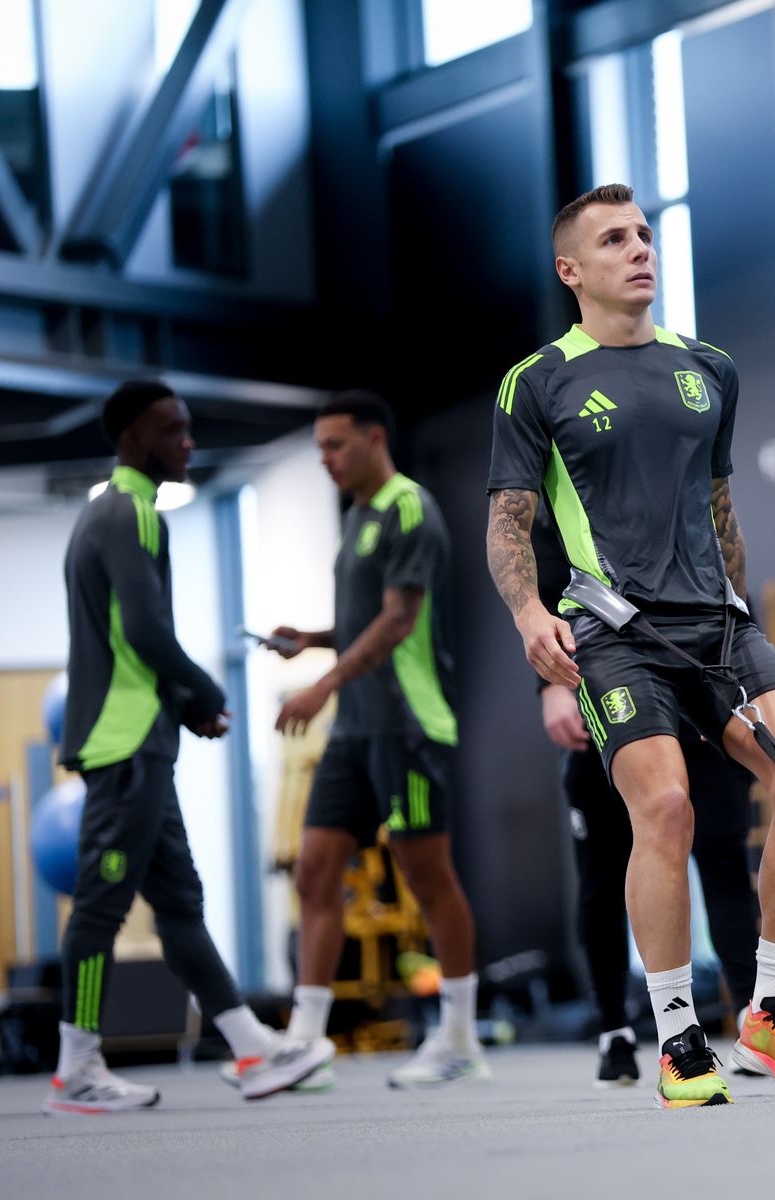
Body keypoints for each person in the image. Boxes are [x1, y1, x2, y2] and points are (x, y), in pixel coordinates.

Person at [486, 182, 775, 1109]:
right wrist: (531, 617)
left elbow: (719, 508)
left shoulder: (709, 368)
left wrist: (740, 613)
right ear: (572, 270)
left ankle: (771, 1006)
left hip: (719, 629)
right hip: (613, 635)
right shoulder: (539, 381)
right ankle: (680, 1035)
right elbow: (510, 524)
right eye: (614, 239)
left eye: (644, 233)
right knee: (669, 810)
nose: (639, 248)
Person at [48, 380, 333, 1114]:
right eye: (173, 430)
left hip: (142, 739)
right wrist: (205, 692)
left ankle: (250, 1047)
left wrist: (181, 707)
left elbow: (127, 642)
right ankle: (75, 1070)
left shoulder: (109, 514)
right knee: (102, 910)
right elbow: (142, 633)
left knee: (179, 904)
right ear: (136, 437)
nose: (188, 442)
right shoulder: (130, 513)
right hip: (123, 745)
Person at [264, 391, 486, 1089]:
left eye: (335, 445)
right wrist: (313, 639)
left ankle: (458, 1039)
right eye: (320, 448)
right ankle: (304, 1041)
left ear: (374, 437)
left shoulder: (408, 508)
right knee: (314, 872)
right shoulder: (357, 516)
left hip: (406, 723)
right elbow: (365, 616)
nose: (326, 459)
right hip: (355, 729)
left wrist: (323, 684)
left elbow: (396, 623)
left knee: (427, 876)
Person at [531, 517, 763, 1086]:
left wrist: (737, 683)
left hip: (696, 693)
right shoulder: (559, 508)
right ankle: (617, 1029)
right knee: (602, 872)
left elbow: (729, 579)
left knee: (723, 855)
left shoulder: (683, 486)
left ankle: (756, 1022)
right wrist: (551, 689)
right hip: (606, 693)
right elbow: (539, 600)